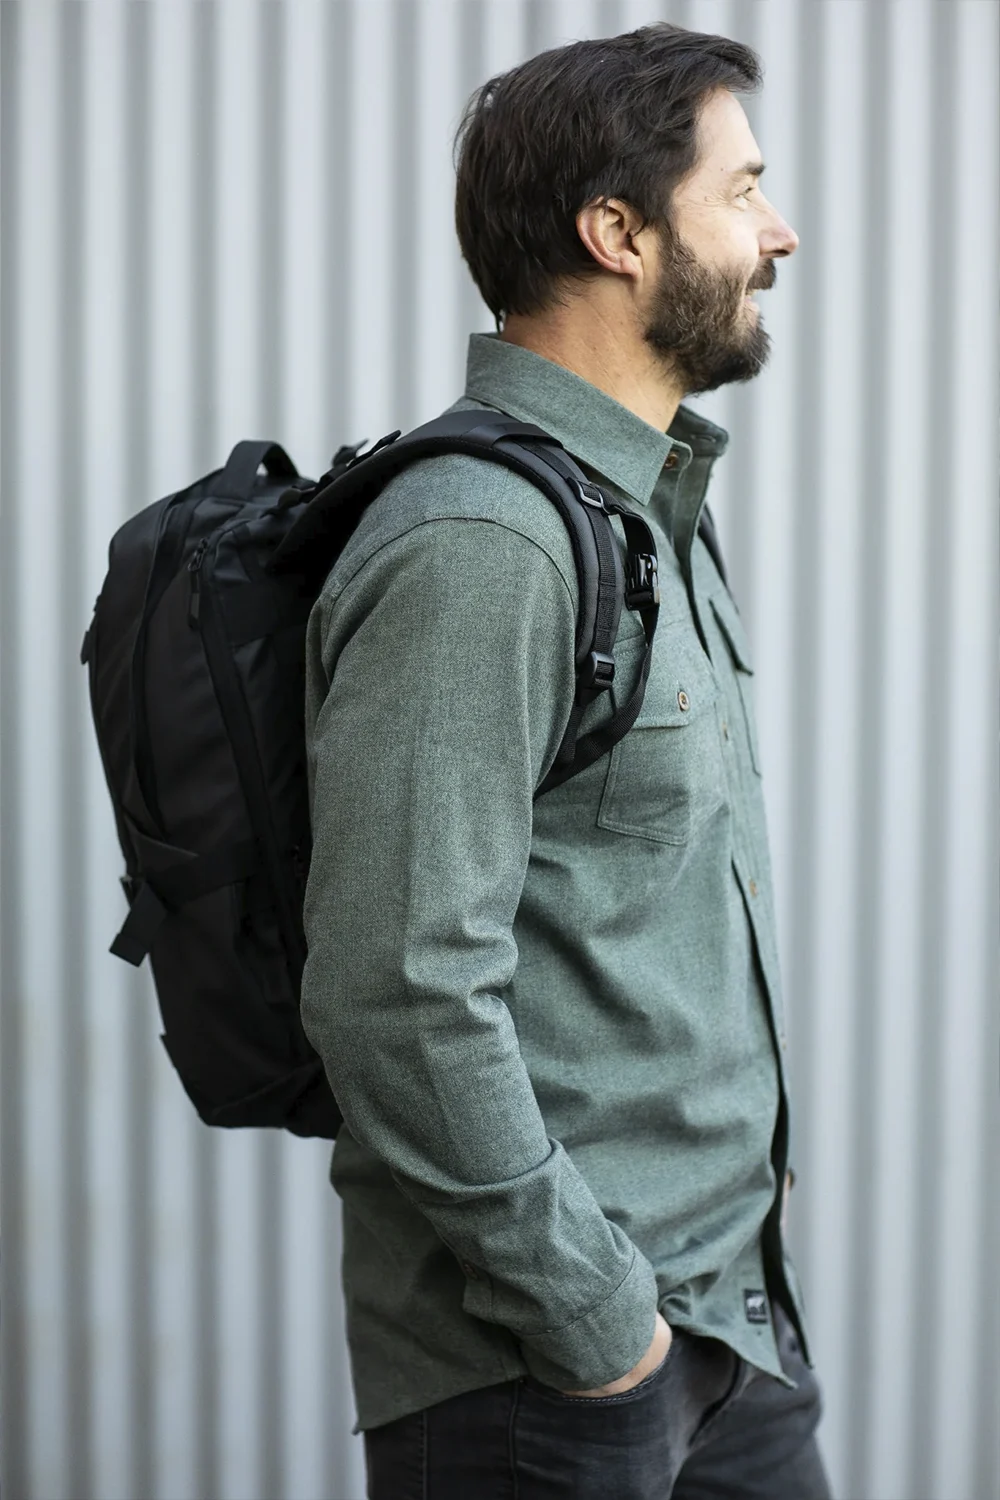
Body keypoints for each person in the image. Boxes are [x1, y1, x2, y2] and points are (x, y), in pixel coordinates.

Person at [300, 22, 831, 1500]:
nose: (780, 233)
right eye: (742, 191)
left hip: (728, 1320)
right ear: (619, 234)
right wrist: (602, 1327)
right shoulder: (484, 543)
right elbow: (396, 990)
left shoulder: (642, 513)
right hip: (554, 1379)